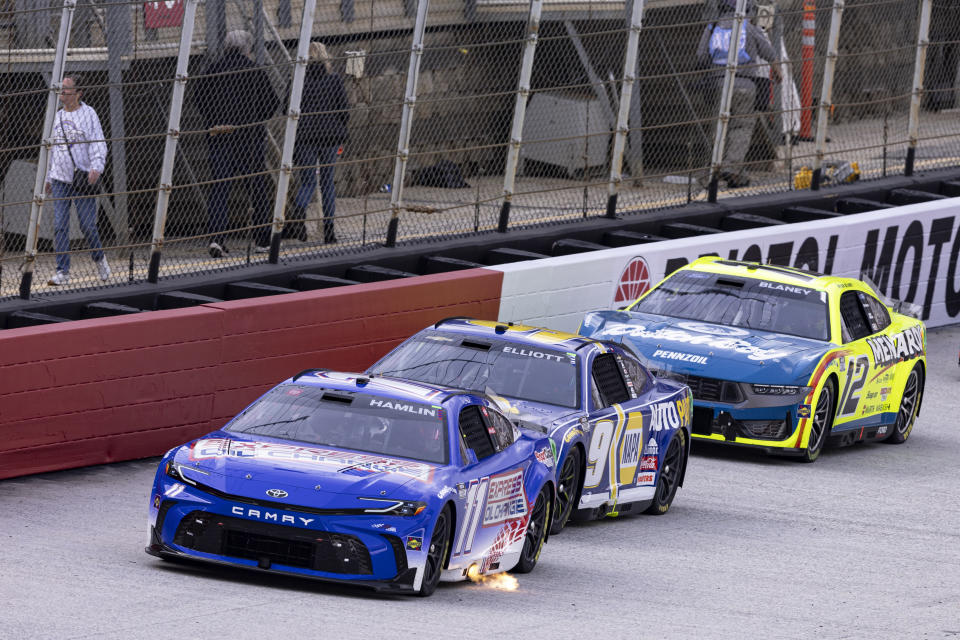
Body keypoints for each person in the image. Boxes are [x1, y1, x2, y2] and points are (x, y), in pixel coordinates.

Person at [193, 30, 280, 257]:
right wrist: (254, 119)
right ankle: (262, 239)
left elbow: (199, 99)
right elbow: (271, 102)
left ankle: (217, 238)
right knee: (256, 187)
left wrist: (215, 119)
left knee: (220, 187)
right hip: (249, 137)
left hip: (220, 136)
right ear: (247, 48)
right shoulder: (255, 72)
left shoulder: (213, 71)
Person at [695, 0, 780, 188]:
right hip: (745, 84)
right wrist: (778, 73)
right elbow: (769, 53)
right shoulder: (748, 27)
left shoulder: (713, 27)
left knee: (718, 126)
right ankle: (732, 169)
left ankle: (711, 172)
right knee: (742, 126)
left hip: (718, 84)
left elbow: (701, 56)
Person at [44, 74, 111, 286]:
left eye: (66, 90)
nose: (62, 94)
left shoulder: (89, 114)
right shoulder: (57, 117)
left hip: (82, 177)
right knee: (59, 225)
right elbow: (52, 149)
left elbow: (98, 142)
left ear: (78, 93)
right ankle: (62, 270)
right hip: (60, 178)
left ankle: (99, 258)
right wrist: (48, 177)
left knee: (87, 225)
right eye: (61, 90)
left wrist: (96, 167)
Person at [285, 42, 349, 244]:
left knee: (308, 181)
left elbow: (286, 107)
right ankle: (329, 231)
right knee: (327, 182)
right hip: (329, 136)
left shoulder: (297, 81)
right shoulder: (333, 79)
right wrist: (340, 129)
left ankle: (298, 212)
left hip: (305, 137)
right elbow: (343, 109)